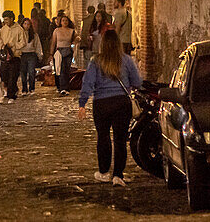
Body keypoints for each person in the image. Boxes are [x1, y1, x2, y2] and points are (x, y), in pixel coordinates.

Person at [79, 29, 142, 186]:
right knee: (120, 140)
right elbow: (137, 82)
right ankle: (118, 175)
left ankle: (103, 172)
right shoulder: (126, 60)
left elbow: (87, 83)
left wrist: (82, 104)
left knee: (103, 137)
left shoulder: (95, 61)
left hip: (102, 104)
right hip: (122, 103)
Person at [0, 10, 27, 103]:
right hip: (5, 56)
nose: (5, 21)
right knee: (4, 76)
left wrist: (13, 45)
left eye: (7, 19)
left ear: (11, 19)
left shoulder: (19, 29)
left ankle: (11, 96)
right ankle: (13, 89)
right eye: (4, 20)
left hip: (15, 56)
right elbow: (1, 40)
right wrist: (2, 47)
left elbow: (23, 42)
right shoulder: (3, 29)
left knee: (13, 77)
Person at [49, 14, 78, 96]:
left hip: (68, 50)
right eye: (63, 21)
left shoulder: (71, 31)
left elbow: (77, 37)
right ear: (60, 22)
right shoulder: (57, 31)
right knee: (60, 69)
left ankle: (66, 87)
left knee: (67, 70)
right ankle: (62, 88)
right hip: (59, 51)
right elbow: (53, 42)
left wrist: (76, 40)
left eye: (66, 20)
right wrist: (51, 53)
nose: (65, 22)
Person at [19, 17, 43, 95]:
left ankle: (32, 88)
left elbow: (37, 45)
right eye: (25, 24)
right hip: (22, 54)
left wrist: (40, 55)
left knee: (31, 72)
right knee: (23, 72)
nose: (26, 26)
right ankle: (24, 89)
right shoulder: (20, 34)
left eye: (28, 24)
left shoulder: (34, 35)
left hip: (31, 54)